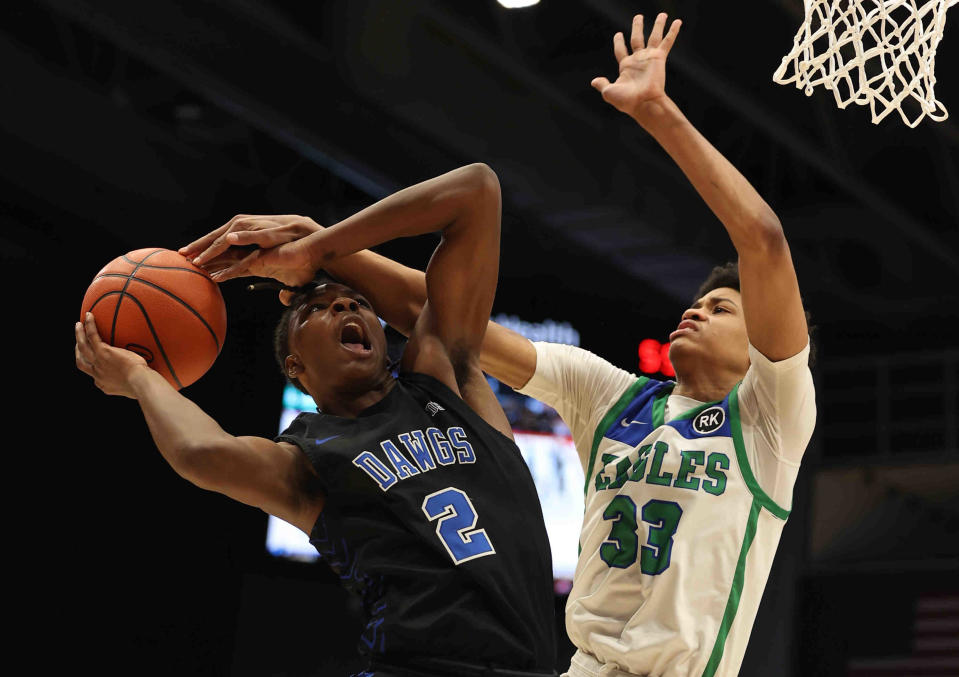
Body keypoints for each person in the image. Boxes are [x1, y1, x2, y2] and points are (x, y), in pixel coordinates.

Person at [186, 13, 817, 677]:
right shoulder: (613, 397)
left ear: (761, 348)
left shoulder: (769, 416)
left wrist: (658, 111)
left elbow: (764, 242)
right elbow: (445, 317)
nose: (693, 311)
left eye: (719, 308)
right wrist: (319, 246)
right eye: (696, 301)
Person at [76, 163, 558, 677]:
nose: (346, 303)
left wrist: (320, 245)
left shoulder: (447, 377)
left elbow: (476, 190)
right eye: (317, 311)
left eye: (355, 302)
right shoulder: (310, 460)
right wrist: (139, 378)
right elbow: (203, 452)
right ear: (295, 368)